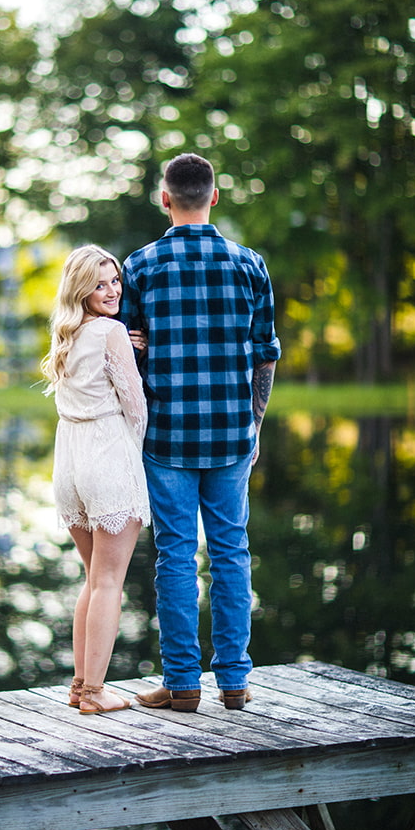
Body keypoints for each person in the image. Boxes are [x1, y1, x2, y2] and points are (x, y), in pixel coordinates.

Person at [121, 153, 280, 712]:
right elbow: (265, 354)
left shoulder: (138, 266)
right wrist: (254, 423)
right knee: (232, 552)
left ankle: (183, 683)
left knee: (175, 557)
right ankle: (235, 682)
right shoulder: (248, 264)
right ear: (215, 196)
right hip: (232, 433)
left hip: (165, 435)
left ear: (165, 199)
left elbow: (125, 356)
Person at [42, 245, 150, 715]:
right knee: (109, 581)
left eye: (115, 281)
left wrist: (126, 346)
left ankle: (80, 685)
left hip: (69, 463)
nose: (112, 291)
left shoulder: (67, 334)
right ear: (81, 289)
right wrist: (137, 452)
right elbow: (136, 407)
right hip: (107, 459)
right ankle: (95, 694)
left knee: (93, 577)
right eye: (100, 284)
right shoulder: (112, 332)